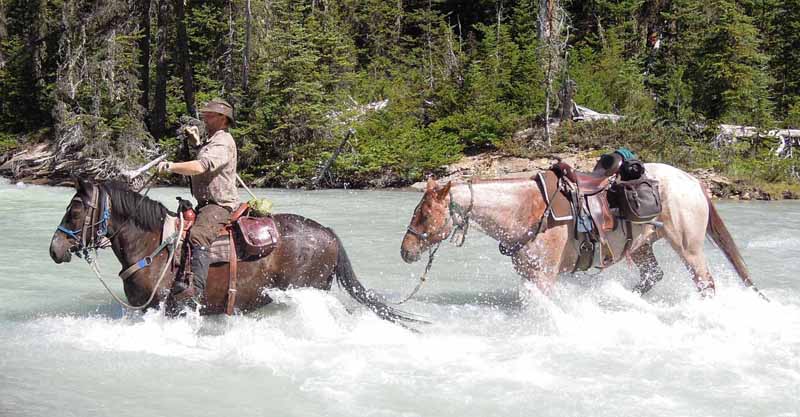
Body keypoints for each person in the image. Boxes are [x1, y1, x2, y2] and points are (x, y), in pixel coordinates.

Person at [157, 98, 240, 307]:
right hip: (206, 203)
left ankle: (196, 290)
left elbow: (203, 166)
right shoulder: (213, 140)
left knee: (198, 234)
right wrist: (196, 143)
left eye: (209, 114)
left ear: (222, 118)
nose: (205, 117)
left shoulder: (223, 141)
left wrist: (171, 166)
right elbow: (205, 155)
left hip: (220, 204)